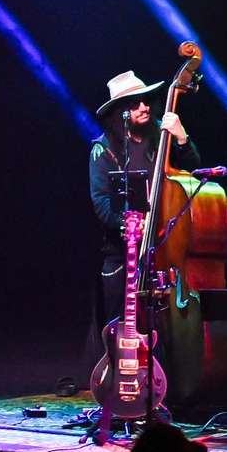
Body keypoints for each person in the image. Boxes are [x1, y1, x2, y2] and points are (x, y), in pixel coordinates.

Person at [86, 70, 194, 359]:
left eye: (146, 101)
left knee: (163, 331)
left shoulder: (163, 135)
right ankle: (117, 380)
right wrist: (131, 225)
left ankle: (162, 379)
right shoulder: (103, 150)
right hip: (121, 255)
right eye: (135, 104)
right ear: (120, 112)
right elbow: (101, 203)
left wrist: (182, 138)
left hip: (163, 251)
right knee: (117, 329)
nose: (144, 107)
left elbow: (191, 172)